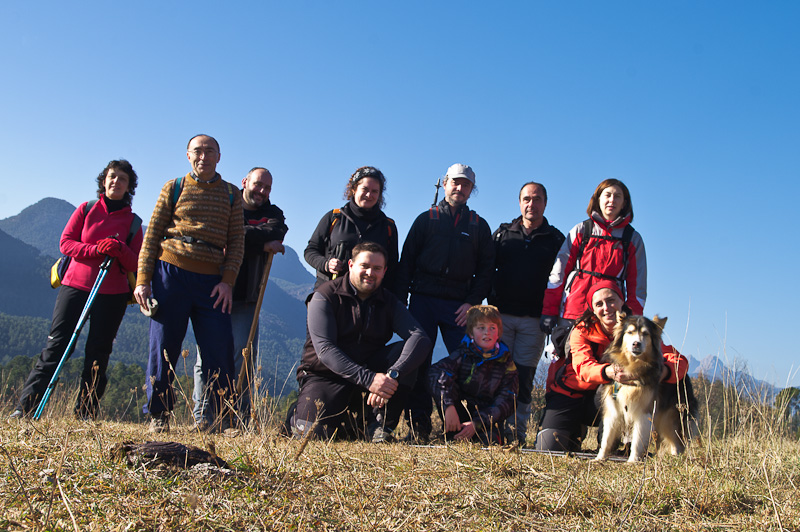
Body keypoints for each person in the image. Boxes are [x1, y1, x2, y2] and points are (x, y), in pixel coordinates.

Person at [11, 160, 143, 420]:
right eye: (112, 176)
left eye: (122, 179)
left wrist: (119, 249)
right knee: (57, 346)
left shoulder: (134, 223)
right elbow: (66, 244)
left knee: (99, 353)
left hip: (112, 294)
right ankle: (25, 408)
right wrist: (96, 250)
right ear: (103, 181)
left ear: (130, 187)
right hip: (74, 286)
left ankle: (85, 414)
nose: (116, 181)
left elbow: (136, 263)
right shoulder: (87, 209)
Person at [134, 134, 244, 433]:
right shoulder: (174, 187)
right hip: (170, 272)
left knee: (219, 348)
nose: (203, 156)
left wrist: (227, 282)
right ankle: (159, 416)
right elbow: (152, 235)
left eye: (210, 151)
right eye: (198, 151)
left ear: (219, 157)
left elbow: (236, 243)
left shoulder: (232, 194)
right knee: (164, 348)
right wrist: (143, 280)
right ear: (187, 155)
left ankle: (223, 418)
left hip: (212, 281)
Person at [290, 242, 431, 442]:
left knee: (409, 352)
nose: (370, 273)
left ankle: (379, 427)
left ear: (385, 271)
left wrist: (392, 376)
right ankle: (296, 415)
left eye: (377, 268)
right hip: (326, 376)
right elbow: (325, 350)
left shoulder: (388, 301)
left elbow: (420, 338)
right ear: (350, 265)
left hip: (369, 372)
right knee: (312, 435)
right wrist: (369, 380)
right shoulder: (325, 296)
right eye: (364, 265)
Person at [395, 163, 495, 442]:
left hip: (459, 306)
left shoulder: (478, 226)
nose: (459, 189)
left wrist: (472, 303)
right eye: (455, 183)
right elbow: (407, 264)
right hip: (423, 300)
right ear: (445, 183)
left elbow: (487, 270)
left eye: (466, 185)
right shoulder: (426, 220)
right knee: (418, 363)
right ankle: (419, 427)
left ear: (471, 190)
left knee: (466, 366)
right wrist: (401, 305)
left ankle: (468, 428)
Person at [535, 280, 688, 452]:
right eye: (599, 304)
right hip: (570, 393)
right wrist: (609, 371)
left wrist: (663, 372)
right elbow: (583, 367)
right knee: (547, 448)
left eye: (611, 300)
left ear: (622, 301)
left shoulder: (636, 328)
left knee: (615, 390)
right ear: (592, 308)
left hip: (606, 397)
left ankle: (612, 445)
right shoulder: (581, 330)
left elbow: (678, 361)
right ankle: (575, 431)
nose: (606, 307)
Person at [192, 167, 288, 429]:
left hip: (247, 296)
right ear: (245, 181)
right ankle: (203, 416)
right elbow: (217, 232)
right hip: (213, 288)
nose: (262, 191)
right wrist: (258, 242)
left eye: (267, 188)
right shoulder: (227, 204)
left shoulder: (273, 213)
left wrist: (241, 236)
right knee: (205, 357)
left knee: (243, 357)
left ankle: (236, 416)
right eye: (258, 185)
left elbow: (277, 232)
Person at [489, 182, 565, 444]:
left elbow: (562, 282)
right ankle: (494, 430)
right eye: (526, 199)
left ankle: (518, 433)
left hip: (535, 322)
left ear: (545, 203)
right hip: (501, 318)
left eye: (537, 199)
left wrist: (553, 316)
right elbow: (486, 269)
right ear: (519, 202)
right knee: (497, 373)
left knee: (523, 377)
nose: (531, 204)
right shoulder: (502, 234)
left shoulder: (556, 240)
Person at [540, 178, 646, 333]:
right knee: (570, 356)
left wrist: (632, 318)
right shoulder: (582, 230)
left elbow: (638, 287)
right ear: (598, 199)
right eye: (607, 195)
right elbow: (558, 273)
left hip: (610, 316)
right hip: (574, 310)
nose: (612, 200)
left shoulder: (632, 239)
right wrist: (549, 310)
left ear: (624, 203)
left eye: (617, 196)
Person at [428, 305, 518, 444]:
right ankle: (452, 432)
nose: (487, 333)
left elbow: (507, 400)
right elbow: (436, 373)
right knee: (443, 380)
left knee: (490, 443)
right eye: (481, 328)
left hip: (487, 420)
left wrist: (477, 423)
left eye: (492, 328)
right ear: (471, 333)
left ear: (499, 333)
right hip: (459, 415)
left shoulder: (506, 362)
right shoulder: (462, 354)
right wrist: (448, 405)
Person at [304, 166, 399, 292]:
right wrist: (326, 264)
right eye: (364, 189)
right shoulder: (333, 217)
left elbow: (392, 267)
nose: (369, 195)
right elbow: (310, 251)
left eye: (375, 191)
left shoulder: (388, 226)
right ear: (354, 189)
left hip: (369, 300)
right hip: (331, 294)